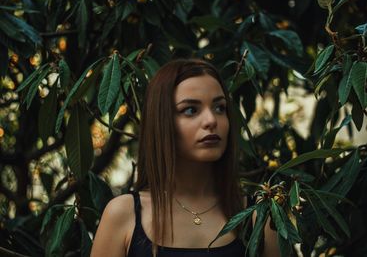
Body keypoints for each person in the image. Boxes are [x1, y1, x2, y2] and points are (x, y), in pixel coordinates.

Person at [90, 59, 279, 257]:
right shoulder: (123, 215)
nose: (211, 120)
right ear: (161, 121)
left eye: (219, 108)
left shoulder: (260, 217)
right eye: (190, 110)